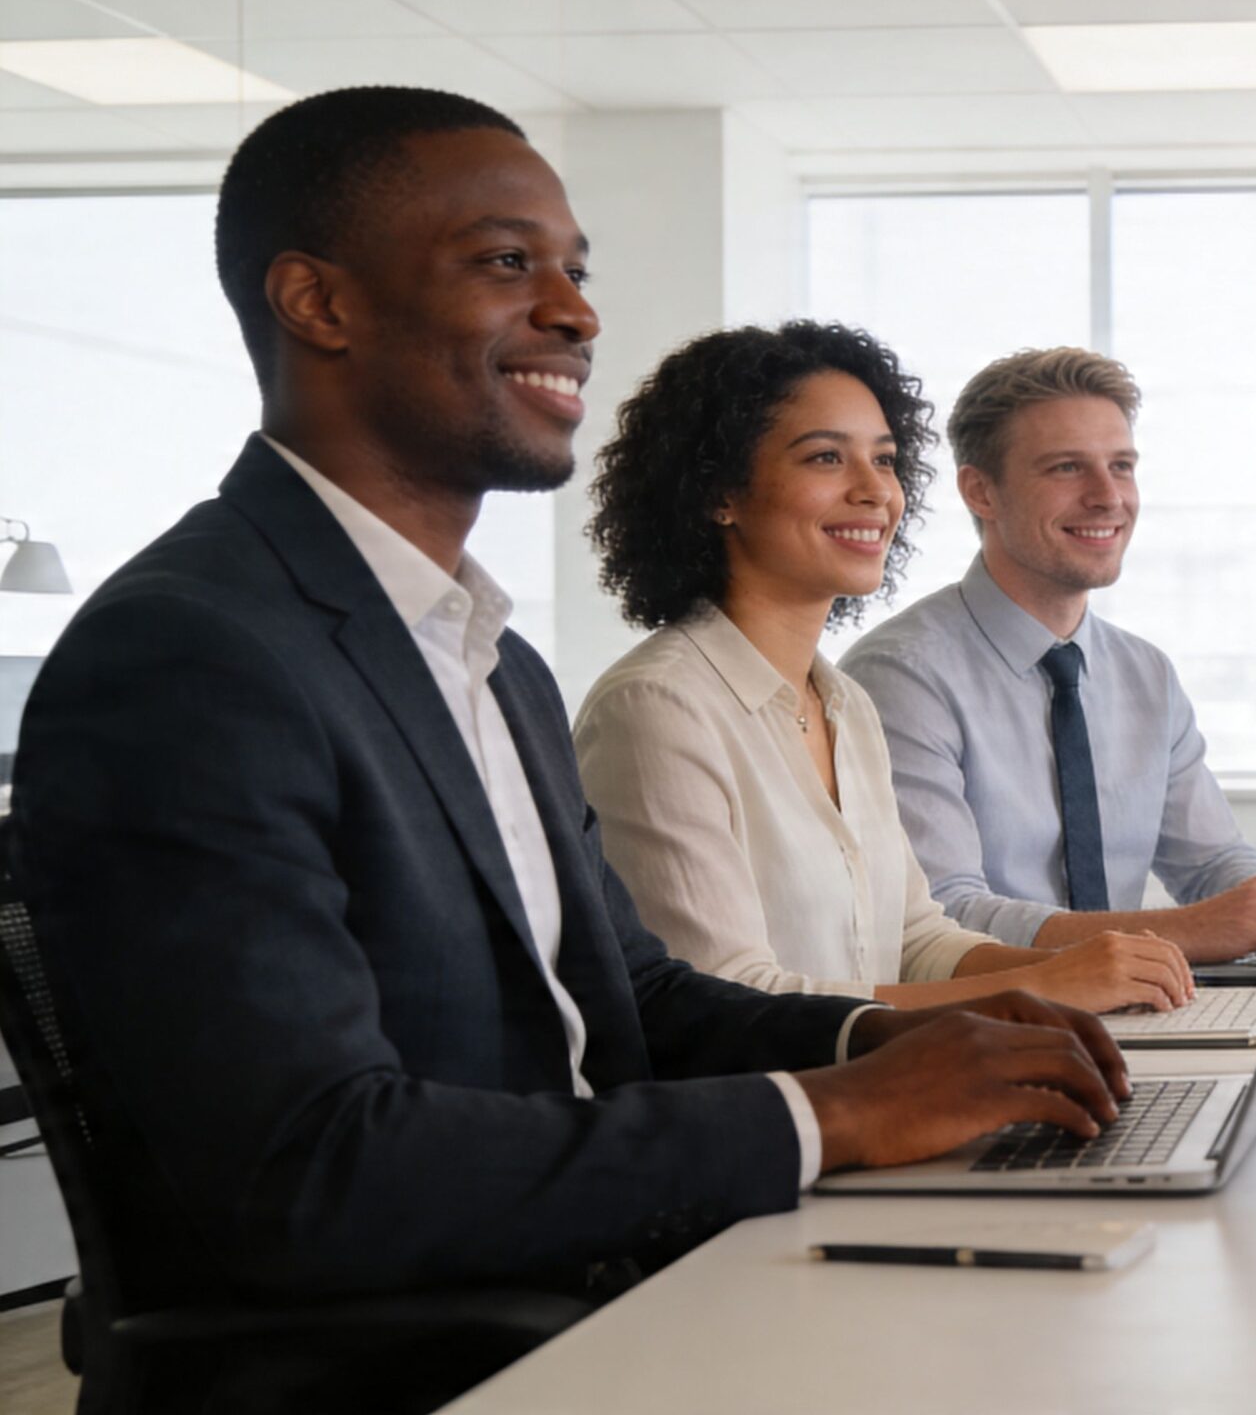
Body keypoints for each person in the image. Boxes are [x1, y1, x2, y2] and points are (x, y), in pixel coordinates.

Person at [6, 88, 1125, 1355]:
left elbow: (632, 1002)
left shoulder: (493, 661)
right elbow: (312, 1167)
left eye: (576, 272)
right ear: (319, 303)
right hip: (448, 1350)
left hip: (604, 1271)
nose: (577, 313)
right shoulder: (191, 655)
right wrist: (832, 1116)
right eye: (504, 263)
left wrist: (899, 1046)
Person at [574, 323, 1192, 1014]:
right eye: (826, 459)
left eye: (886, 459)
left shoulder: (842, 701)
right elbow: (729, 1000)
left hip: (890, 1097)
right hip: (774, 1115)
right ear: (721, 493)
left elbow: (917, 942)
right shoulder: (656, 709)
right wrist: (1040, 984)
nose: (876, 491)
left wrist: (1095, 970)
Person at [841, 347, 1256, 961]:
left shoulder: (1144, 674)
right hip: (988, 1025)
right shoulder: (901, 678)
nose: (1108, 497)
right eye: (1067, 468)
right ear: (981, 492)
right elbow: (945, 913)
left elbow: (1211, 863)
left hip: (1131, 1015)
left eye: (1121, 466)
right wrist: (1187, 931)